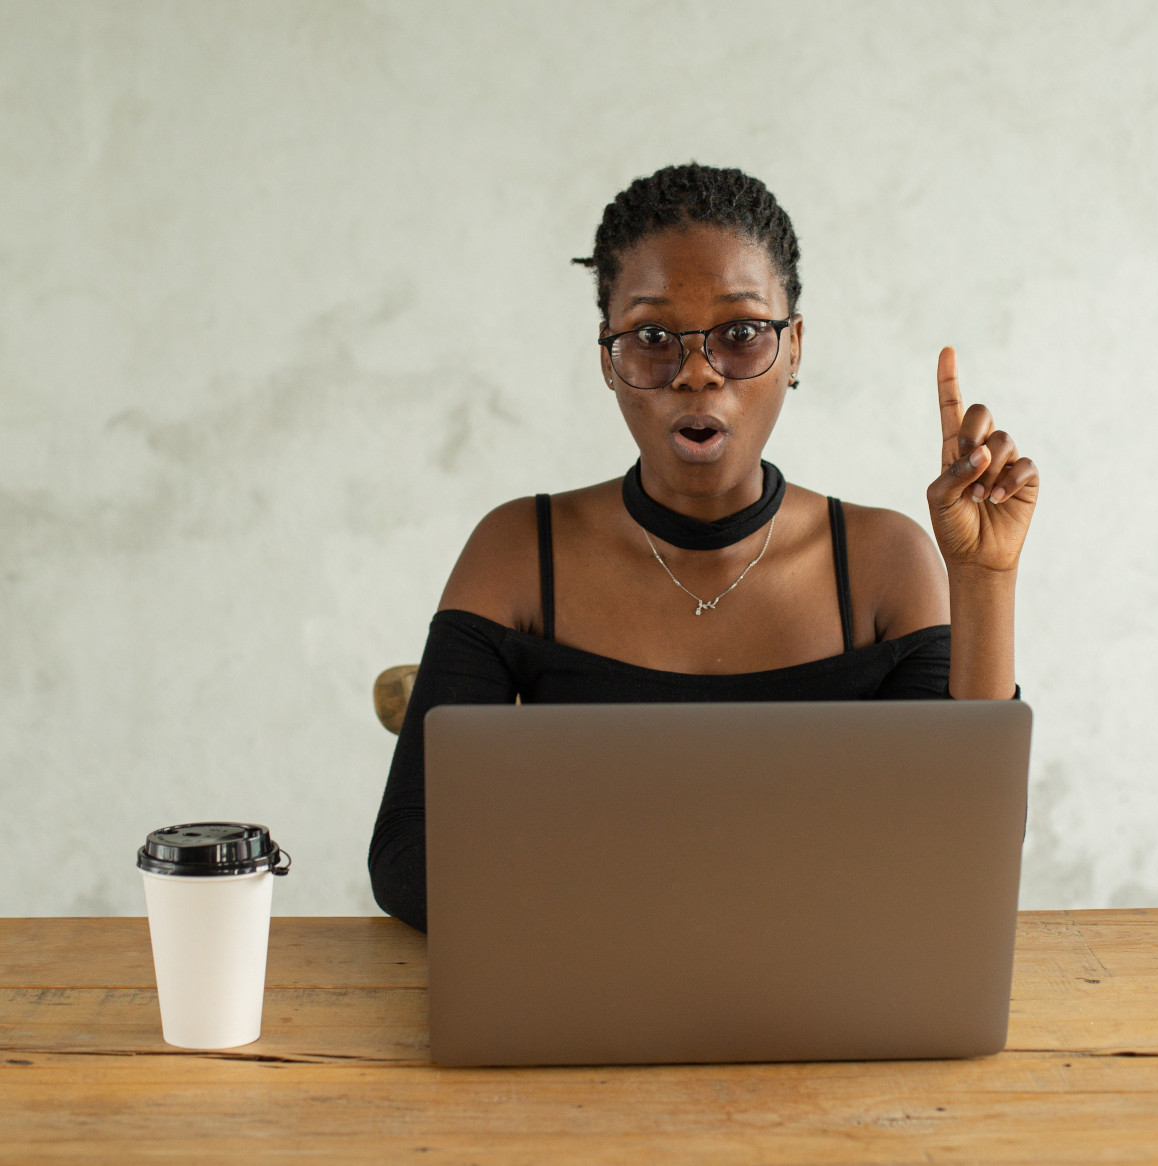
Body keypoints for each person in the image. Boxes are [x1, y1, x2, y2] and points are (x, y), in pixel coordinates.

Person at [369, 163, 1039, 932]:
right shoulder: (520, 553)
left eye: (742, 334)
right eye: (653, 337)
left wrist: (984, 579)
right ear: (607, 359)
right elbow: (409, 862)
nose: (696, 372)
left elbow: (965, 856)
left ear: (793, 352)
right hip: (593, 1012)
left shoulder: (885, 563)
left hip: (822, 1017)